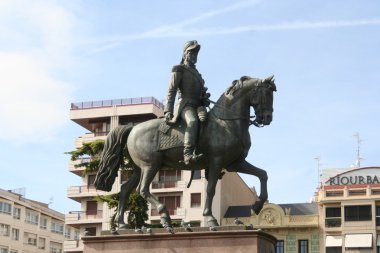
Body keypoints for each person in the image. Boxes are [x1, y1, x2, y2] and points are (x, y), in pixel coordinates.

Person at [164, 40, 210, 165]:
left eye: (196, 53)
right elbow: (172, 90)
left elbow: (200, 95)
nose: (194, 56)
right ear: (185, 54)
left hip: (198, 106)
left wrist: (204, 98)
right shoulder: (179, 69)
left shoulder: (198, 75)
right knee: (193, 121)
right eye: (191, 53)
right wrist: (168, 110)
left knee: (211, 123)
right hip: (185, 105)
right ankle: (187, 154)